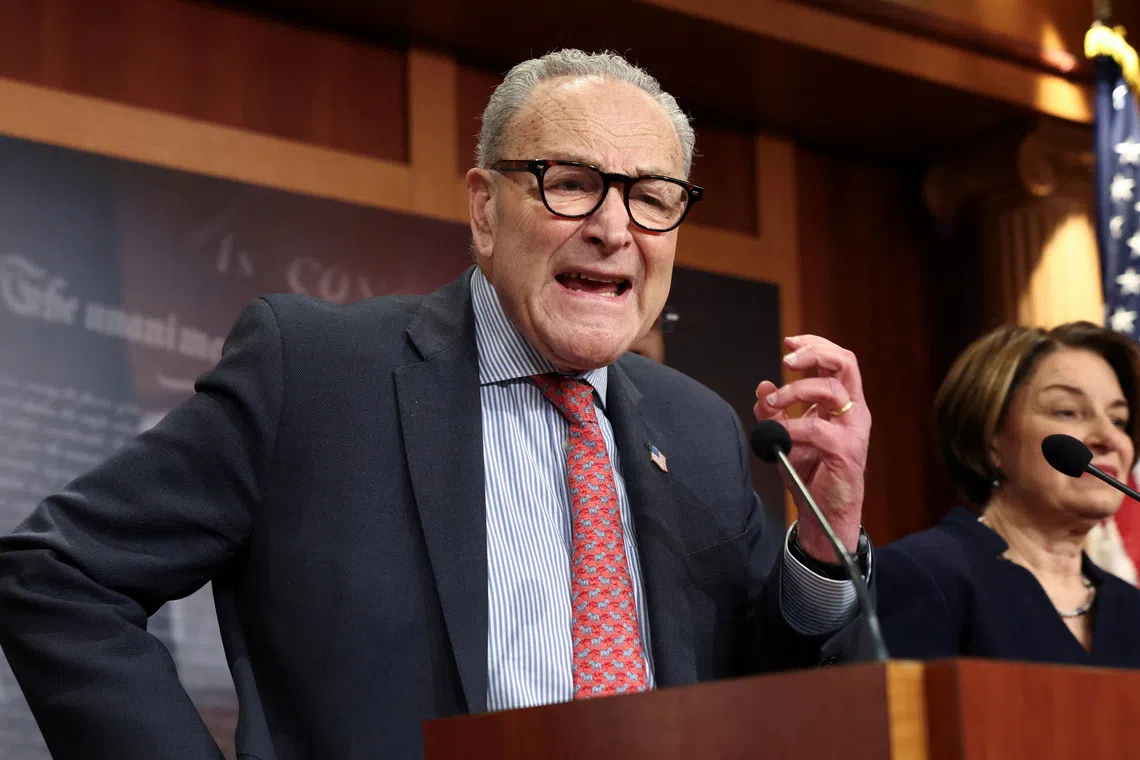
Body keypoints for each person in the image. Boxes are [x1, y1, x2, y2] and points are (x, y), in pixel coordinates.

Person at [0, 50, 875, 759]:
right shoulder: (313, 371)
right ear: (485, 210)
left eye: (652, 198)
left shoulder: (699, 427)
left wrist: (820, 542)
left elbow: (767, 687)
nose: (615, 228)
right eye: (569, 182)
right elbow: (58, 573)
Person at [876, 321, 1140, 666]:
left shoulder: (1131, 610)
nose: (1109, 438)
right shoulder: (926, 574)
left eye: (1119, 420)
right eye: (1067, 412)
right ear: (992, 440)